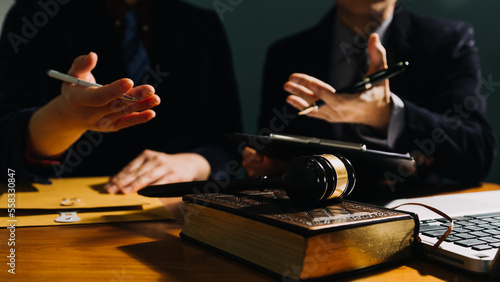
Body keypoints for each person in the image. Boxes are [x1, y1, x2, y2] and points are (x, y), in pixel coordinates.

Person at [244, 0, 496, 198]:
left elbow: (477, 154)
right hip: (308, 215)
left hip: (415, 218)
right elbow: (273, 148)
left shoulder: (448, 42)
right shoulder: (286, 55)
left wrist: (388, 115)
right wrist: (271, 164)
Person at [0, 0, 242, 193]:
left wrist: (197, 163)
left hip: (174, 210)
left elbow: (230, 140)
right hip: (65, 207)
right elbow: (8, 135)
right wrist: (66, 118)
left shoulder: (202, 26)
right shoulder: (35, 14)